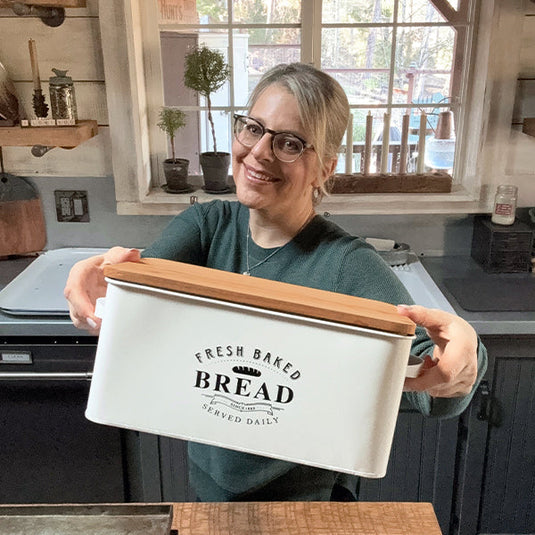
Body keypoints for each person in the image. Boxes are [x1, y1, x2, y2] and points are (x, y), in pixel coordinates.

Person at [65, 63, 487, 502]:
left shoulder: (347, 264)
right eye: (253, 129)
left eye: (289, 143)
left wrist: (465, 356)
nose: (260, 152)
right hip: (206, 494)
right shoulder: (206, 227)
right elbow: (141, 293)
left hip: (307, 508)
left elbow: (434, 371)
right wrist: (97, 276)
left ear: (325, 168)